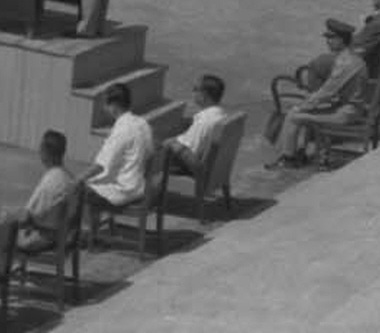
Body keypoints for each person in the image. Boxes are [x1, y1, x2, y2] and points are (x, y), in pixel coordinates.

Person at [269, 19, 369, 168]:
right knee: (304, 111)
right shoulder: (351, 57)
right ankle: (299, 153)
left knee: (293, 116)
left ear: (341, 40)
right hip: (348, 107)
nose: (327, 41)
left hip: (347, 113)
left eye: (331, 38)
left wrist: (302, 106)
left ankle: (288, 159)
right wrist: (308, 104)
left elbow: (326, 92)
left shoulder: (345, 63)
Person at [82, 83, 155, 238]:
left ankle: (91, 236)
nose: (104, 108)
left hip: (126, 190)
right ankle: (93, 232)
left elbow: (100, 165)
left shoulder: (122, 130)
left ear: (114, 105)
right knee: (94, 183)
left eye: (106, 104)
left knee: (81, 191)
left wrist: (77, 180)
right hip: (140, 184)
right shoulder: (143, 123)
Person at [17, 129, 80, 255]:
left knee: (1, 234)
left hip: (45, 238)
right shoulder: (69, 177)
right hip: (63, 234)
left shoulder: (49, 182)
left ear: (45, 153)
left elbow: (26, 216)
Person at [163, 73, 236, 178]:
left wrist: (171, 143)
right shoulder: (222, 115)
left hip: (185, 165)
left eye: (195, 89)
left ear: (204, 95)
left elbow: (191, 158)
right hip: (210, 164)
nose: (192, 92)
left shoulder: (203, 122)